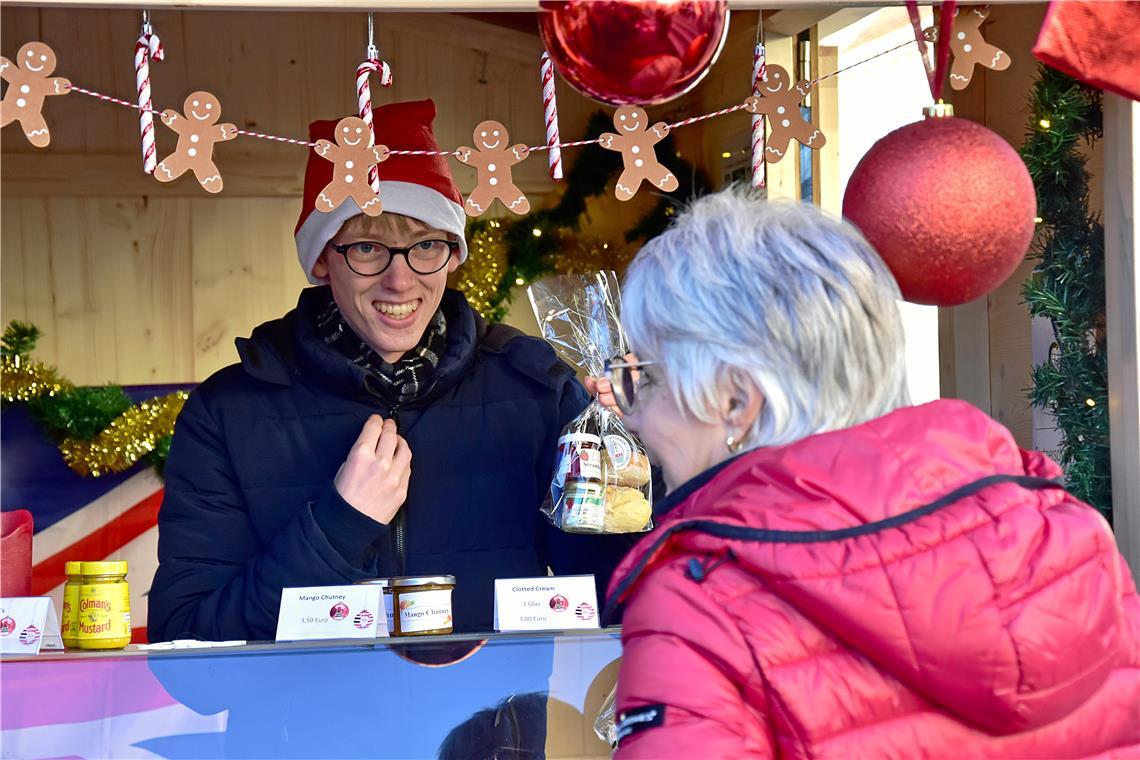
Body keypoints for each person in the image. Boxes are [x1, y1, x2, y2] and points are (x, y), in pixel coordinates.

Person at [602, 188, 1139, 757]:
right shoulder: (1065, 539)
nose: (633, 414)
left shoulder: (700, 602)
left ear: (736, 399)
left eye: (647, 378)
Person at [148, 99, 631, 641]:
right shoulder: (229, 414)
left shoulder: (536, 390)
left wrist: (637, 463)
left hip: (486, 726)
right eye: (369, 248)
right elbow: (185, 648)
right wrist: (337, 528)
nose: (400, 281)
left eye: (425, 245)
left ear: (453, 255)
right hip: (301, 731)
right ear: (323, 260)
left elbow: (620, 600)